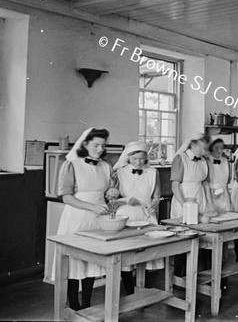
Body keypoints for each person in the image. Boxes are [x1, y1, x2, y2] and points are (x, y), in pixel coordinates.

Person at [53, 128, 115, 310]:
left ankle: (87, 305)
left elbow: (110, 191)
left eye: (103, 146)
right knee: (74, 263)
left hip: (97, 219)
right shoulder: (72, 163)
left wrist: (112, 192)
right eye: (96, 145)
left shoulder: (105, 166)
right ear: (85, 144)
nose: (100, 149)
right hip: (77, 217)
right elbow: (66, 197)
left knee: (92, 263)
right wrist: (91, 207)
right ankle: (73, 305)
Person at [111, 141, 164, 295]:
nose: (139, 162)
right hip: (127, 216)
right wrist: (125, 199)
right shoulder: (120, 173)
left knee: (145, 253)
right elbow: (112, 199)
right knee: (127, 255)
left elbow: (157, 195)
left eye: (142, 159)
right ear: (128, 158)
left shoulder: (153, 172)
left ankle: (142, 289)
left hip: (147, 215)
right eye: (135, 159)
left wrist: (154, 204)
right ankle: (129, 290)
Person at [170, 133, 211, 276]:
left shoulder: (204, 161)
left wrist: (210, 204)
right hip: (183, 200)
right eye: (202, 148)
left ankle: (198, 274)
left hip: (200, 198)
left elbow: (206, 183)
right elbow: (175, 186)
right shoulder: (180, 159)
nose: (204, 151)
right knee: (183, 238)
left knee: (203, 237)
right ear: (192, 144)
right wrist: (185, 206)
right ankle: (178, 275)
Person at [205, 137, 233, 214]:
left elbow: (227, 181)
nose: (219, 150)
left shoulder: (225, 161)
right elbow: (205, 183)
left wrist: (229, 201)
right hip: (210, 196)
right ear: (211, 148)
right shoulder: (206, 161)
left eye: (221, 148)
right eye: (216, 148)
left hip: (224, 195)